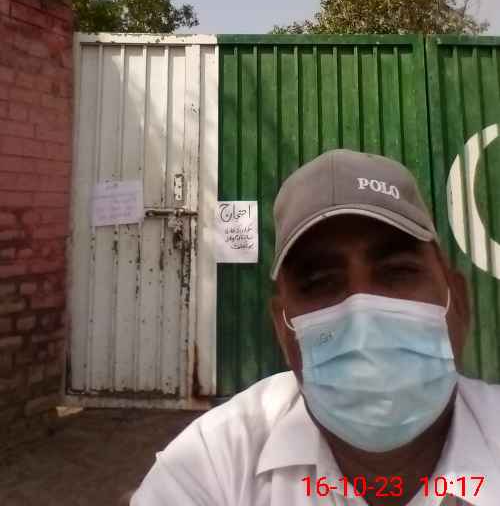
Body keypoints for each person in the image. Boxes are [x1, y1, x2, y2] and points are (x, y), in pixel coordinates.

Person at [130, 149, 500, 505]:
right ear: (283, 330)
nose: (363, 319)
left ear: (458, 302)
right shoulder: (209, 469)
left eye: (398, 272)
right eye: (321, 283)